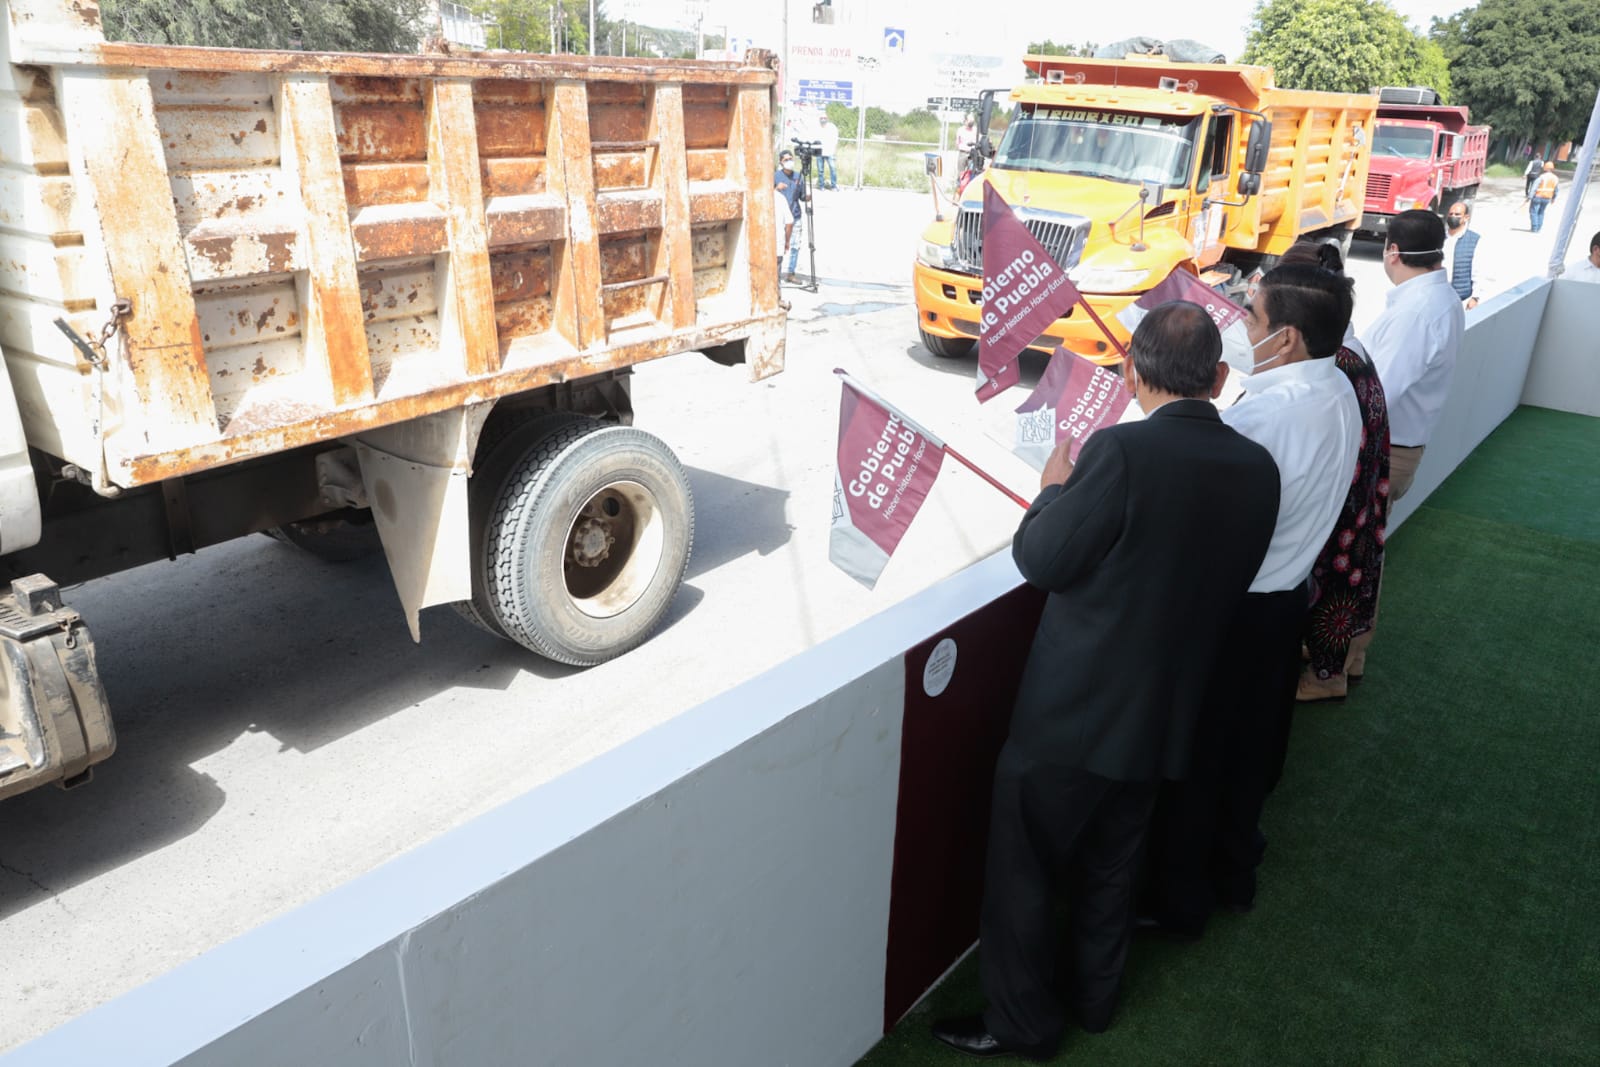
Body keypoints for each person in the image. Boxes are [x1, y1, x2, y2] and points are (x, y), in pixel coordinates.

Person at [931, 303, 1280, 1060]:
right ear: (1219, 378)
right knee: (1113, 869)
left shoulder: (1120, 453)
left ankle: (1023, 1023)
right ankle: (1096, 1001)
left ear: (1130, 371)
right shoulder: (1257, 468)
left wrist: (1054, 487)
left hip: (1073, 715)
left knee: (1023, 874)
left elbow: (1041, 560)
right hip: (1167, 716)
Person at [1141, 262, 1363, 938]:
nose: (1243, 327)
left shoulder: (1268, 413)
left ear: (1289, 337)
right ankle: (1235, 873)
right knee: (1252, 755)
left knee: (1201, 761)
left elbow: (1195, 498)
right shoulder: (1340, 389)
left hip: (1237, 609)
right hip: (1285, 600)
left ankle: (1179, 904)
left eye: (1255, 319)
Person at [1274, 242, 1392, 704]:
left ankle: (1326, 678)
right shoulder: (1349, 344)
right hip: (1361, 484)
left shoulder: (1334, 362)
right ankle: (1345, 661)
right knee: (1352, 576)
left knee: (1336, 581)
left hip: (1344, 492)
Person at [1365, 209, 1465, 505]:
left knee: (1353, 548)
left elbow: (1377, 393)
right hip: (1395, 448)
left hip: (1382, 451)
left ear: (1393, 251)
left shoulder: (1416, 312)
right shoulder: (1441, 298)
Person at [1444, 200, 1492, 309]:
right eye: (1451, 214)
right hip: (1438, 295)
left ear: (1466, 218)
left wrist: (1475, 297)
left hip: (1460, 299)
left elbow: (1478, 271)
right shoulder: (1439, 238)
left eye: (1457, 214)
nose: (1453, 217)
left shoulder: (1474, 240)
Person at [773, 149, 807, 283]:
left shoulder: (799, 176)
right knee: (779, 245)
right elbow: (767, 194)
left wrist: (808, 196)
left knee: (795, 245)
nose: (789, 162)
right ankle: (776, 272)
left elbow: (802, 196)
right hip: (780, 217)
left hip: (795, 215)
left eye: (790, 159)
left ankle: (791, 273)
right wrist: (776, 188)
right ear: (781, 162)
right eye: (786, 160)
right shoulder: (776, 176)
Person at [1529, 162, 1559, 233]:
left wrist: (1530, 196)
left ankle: (1534, 228)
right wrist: (1554, 198)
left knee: (1534, 212)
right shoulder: (1555, 178)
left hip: (1538, 196)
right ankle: (1539, 227)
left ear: (1545, 168)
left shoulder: (1542, 177)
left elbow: (1534, 187)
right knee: (1541, 212)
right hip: (1547, 198)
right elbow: (1556, 189)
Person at [817, 114, 839, 190]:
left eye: (824, 118)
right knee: (820, 170)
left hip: (830, 152)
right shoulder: (817, 128)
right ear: (819, 119)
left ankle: (833, 186)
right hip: (819, 152)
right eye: (821, 118)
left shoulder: (832, 127)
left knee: (833, 169)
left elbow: (835, 139)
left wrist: (835, 151)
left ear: (827, 118)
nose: (823, 119)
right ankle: (821, 186)